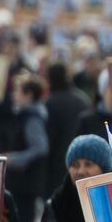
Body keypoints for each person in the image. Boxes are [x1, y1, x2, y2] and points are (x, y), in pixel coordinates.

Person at [5, 73, 50, 222]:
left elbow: (40, 148)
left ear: (29, 95)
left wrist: (15, 159)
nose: (14, 95)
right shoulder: (25, 116)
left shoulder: (32, 119)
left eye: (18, 91)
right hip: (23, 182)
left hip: (25, 183)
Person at [44, 62, 91, 192]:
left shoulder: (50, 102)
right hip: (82, 160)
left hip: (56, 164)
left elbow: (49, 138)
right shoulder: (82, 99)